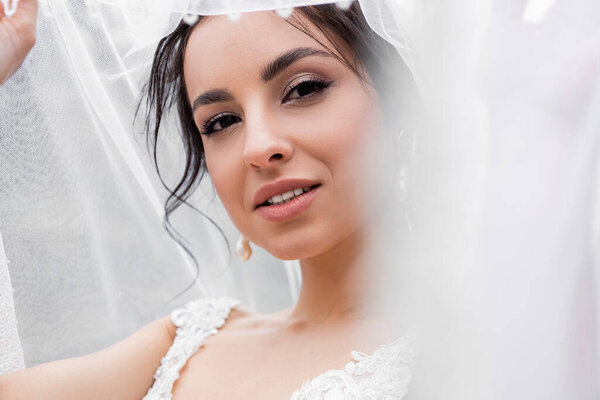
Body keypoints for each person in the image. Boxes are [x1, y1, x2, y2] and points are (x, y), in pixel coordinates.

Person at [0, 2, 415, 399]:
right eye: (221, 122)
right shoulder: (180, 347)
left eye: (304, 89)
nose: (257, 147)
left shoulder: (464, 347)